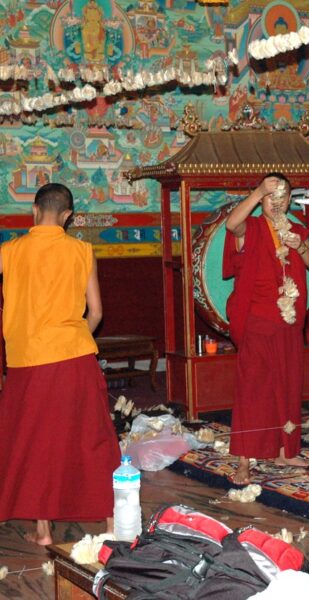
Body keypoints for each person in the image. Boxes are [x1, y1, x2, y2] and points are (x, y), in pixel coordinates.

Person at [0, 183, 120, 546]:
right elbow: (96, 312)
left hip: (27, 359)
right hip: (74, 355)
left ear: (34, 211)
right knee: (93, 437)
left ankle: (43, 529)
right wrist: (70, 338)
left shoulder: (9, 251)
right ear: (68, 216)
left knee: (36, 441)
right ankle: (113, 522)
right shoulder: (82, 250)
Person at [223, 174, 309, 485]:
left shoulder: (296, 230)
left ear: (290, 200)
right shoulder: (250, 228)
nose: (276, 202)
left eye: (282, 196)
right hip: (258, 321)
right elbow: (230, 225)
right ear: (261, 200)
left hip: (289, 323)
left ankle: (285, 450)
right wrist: (256, 191)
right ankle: (243, 460)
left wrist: (301, 245)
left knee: (288, 386)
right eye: (270, 196)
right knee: (252, 390)